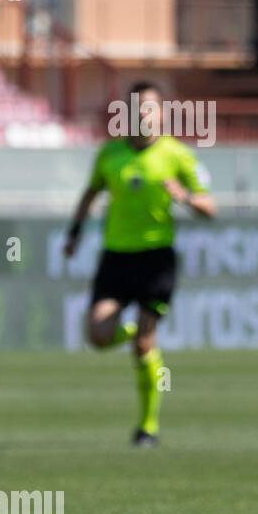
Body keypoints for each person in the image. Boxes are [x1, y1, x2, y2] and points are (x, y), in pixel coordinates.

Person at [63, 81, 217, 447]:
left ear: (162, 114)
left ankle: (147, 428)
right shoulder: (110, 154)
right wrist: (75, 233)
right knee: (98, 336)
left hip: (156, 259)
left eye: (150, 107)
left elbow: (211, 207)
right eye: (137, 108)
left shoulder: (177, 155)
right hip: (116, 258)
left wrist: (185, 198)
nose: (144, 114)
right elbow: (90, 193)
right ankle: (135, 334)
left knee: (145, 343)